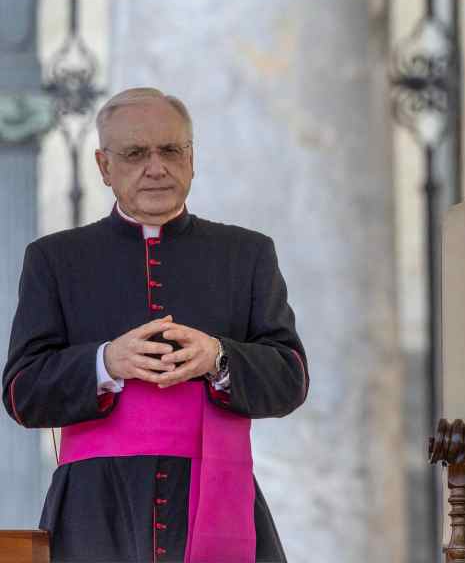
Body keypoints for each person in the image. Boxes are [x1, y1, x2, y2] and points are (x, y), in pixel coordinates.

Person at [3, 88, 308, 563]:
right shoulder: (55, 259)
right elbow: (23, 394)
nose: (156, 166)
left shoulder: (246, 254)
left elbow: (291, 379)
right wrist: (106, 362)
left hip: (214, 494)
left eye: (171, 150)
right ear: (104, 166)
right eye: (135, 153)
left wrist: (219, 357)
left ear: (192, 157)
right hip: (94, 505)